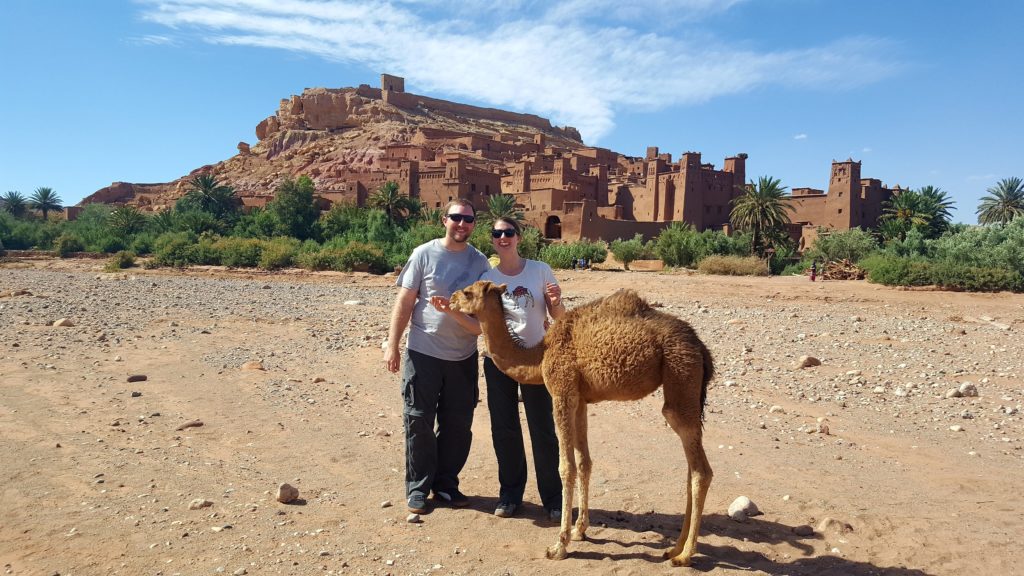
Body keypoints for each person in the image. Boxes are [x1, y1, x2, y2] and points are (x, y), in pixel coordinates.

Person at [384, 199, 491, 515]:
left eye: (468, 219)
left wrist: (453, 312)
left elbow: (481, 324)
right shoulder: (423, 254)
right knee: (418, 420)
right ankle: (418, 487)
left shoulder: (480, 262)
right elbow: (404, 302)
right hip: (423, 352)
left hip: (462, 356)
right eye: (456, 217)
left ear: (474, 224)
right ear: (444, 220)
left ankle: (446, 485)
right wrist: (392, 345)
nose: (462, 224)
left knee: (458, 424)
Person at [480, 217, 565, 521]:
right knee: (504, 429)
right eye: (497, 234)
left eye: (508, 233)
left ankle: (554, 498)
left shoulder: (540, 270)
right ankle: (510, 494)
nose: (503, 238)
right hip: (499, 361)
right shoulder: (487, 277)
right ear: (492, 239)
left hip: (537, 360)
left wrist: (555, 302)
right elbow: (481, 320)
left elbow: (559, 316)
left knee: (542, 429)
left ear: (519, 237)